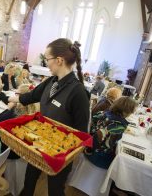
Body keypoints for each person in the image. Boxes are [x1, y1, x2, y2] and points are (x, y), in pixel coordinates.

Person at [8, 38, 90, 196]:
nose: (46, 63)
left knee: (55, 190)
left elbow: (81, 132)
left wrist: (66, 154)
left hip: (60, 153)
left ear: (59, 60)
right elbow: (32, 96)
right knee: (29, 180)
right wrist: (14, 98)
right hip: (39, 144)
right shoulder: (51, 81)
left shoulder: (78, 92)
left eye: (47, 59)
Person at [85, 96, 137, 169]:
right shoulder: (118, 125)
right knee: (124, 165)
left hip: (88, 147)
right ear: (128, 111)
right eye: (132, 111)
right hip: (97, 156)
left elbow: (94, 123)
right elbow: (109, 145)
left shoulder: (106, 112)